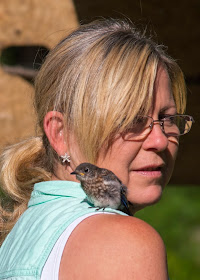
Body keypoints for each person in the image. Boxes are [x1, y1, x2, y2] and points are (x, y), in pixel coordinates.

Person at [0, 18, 194, 279]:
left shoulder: (20, 236)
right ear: (60, 134)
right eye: (131, 121)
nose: (159, 141)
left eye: (168, 119)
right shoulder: (124, 241)